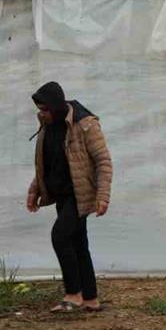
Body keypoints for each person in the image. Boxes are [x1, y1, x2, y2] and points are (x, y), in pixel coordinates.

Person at [27, 81, 113, 313]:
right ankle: (91, 298)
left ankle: (73, 294)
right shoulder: (48, 126)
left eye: (45, 108)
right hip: (62, 192)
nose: (41, 113)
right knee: (78, 243)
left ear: (56, 106)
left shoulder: (84, 124)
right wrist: (34, 190)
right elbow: (47, 164)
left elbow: (103, 162)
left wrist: (103, 196)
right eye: (40, 109)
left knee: (60, 236)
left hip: (81, 192)